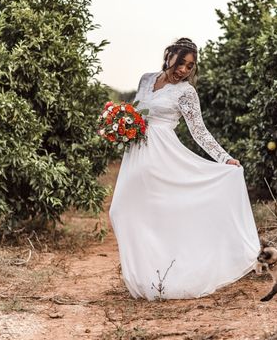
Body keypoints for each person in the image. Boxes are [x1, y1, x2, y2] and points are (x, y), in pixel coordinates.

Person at [108, 37, 261, 300]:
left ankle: (165, 277)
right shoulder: (146, 79)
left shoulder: (187, 92)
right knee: (121, 208)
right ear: (169, 56)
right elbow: (136, 111)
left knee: (162, 215)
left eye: (190, 66)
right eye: (181, 62)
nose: (184, 70)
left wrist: (224, 159)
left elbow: (199, 131)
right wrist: (121, 126)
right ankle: (144, 276)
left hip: (164, 154)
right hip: (136, 153)